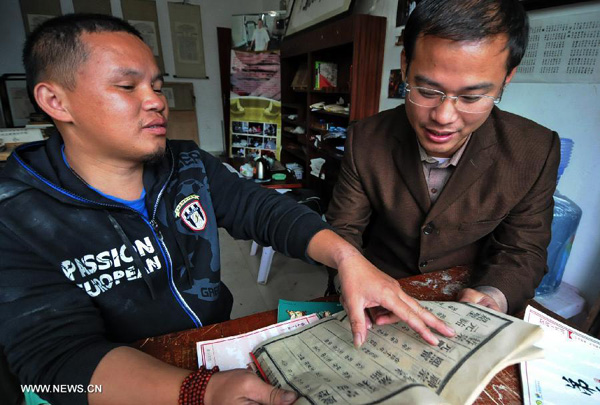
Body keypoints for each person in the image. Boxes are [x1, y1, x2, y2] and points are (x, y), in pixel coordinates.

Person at [0, 14, 454, 405]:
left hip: (210, 346)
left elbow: (264, 210)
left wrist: (347, 258)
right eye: (126, 86)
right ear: (55, 101)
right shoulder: (16, 214)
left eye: (157, 86)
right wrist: (197, 393)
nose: (157, 100)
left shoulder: (188, 163)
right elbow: (53, 364)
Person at [327, 0, 560, 316]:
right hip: (378, 290)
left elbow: (523, 250)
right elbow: (344, 231)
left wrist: (493, 297)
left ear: (507, 77)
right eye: (427, 90)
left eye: (472, 97)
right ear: (406, 64)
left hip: (465, 299)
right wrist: (352, 279)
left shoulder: (534, 150)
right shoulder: (365, 139)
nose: (444, 117)